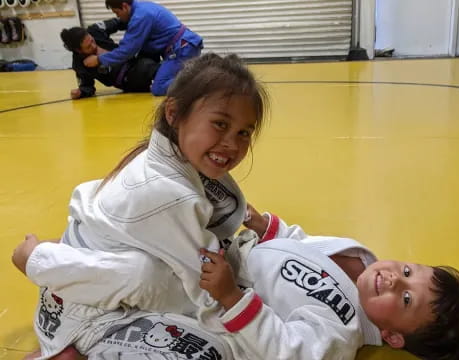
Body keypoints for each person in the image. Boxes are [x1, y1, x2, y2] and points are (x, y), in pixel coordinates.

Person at [11, 53, 268, 359]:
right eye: (220, 124)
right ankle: (66, 344)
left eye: (244, 132)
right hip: (87, 312)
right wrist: (253, 323)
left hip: (89, 286)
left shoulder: (170, 158)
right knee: (220, 347)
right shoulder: (170, 192)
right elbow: (204, 290)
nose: (232, 143)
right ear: (173, 113)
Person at [13, 205, 459, 360]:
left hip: (216, 298)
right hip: (231, 253)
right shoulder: (358, 257)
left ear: (393, 337)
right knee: (162, 224)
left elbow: (287, 350)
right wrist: (267, 224)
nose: (395, 279)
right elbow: (300, 243)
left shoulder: (342, 330)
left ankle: (41, 261)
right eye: (410, 271)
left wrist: (231, 297)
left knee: (144, 276)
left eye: (406, 297)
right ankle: (79, 269)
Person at [83, 0, 203, 96]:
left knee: (159, 87)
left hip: (182, 48)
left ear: (124, 6)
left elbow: (127, 50)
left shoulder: (140, 17)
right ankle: (193, 76)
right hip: (185, 45)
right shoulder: (143, 6)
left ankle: (199, 82)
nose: (117, 16)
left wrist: (99, 60)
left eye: (117, 12)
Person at [61, 18, 161, 100]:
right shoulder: (80, 64)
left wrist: (136, 23)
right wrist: (80, 92)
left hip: (134, 60)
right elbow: (87, 86)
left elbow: (119, 22)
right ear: (78, 50)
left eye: (92, 40)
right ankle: (169, 76)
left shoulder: (95, 30)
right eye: (88, 47)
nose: (93, 45)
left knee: (153, 39)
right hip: (127, 79)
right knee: (146, 66)